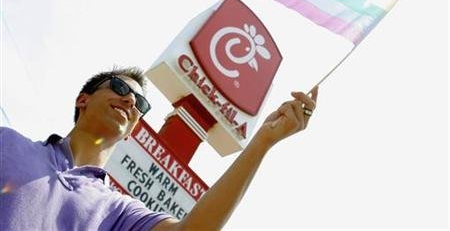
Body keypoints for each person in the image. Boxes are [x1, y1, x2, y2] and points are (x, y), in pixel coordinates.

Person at [0, 67, 318, 230]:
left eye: (140, 103)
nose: (129, 100)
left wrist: (262, 142)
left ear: (134, 129)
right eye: (121, 88)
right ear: (82, 99)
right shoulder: (8, 142)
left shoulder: (117, 210)